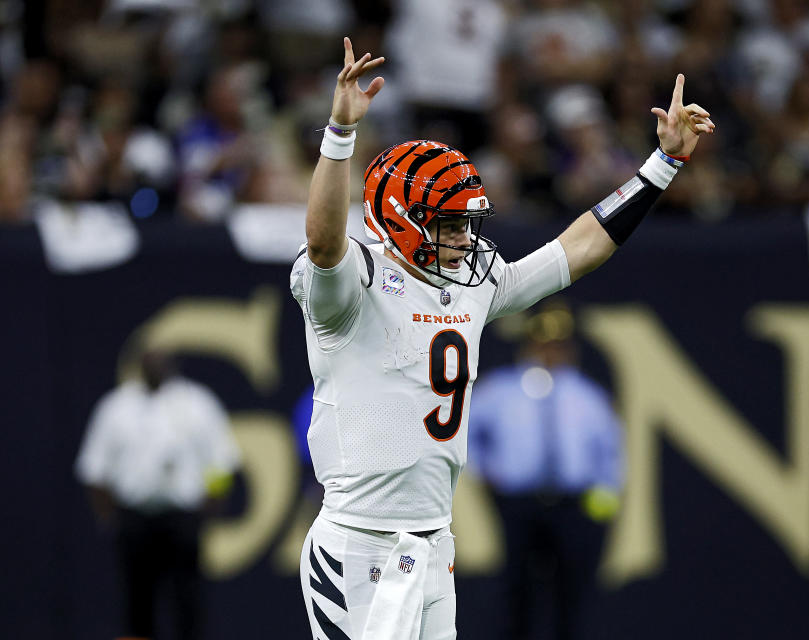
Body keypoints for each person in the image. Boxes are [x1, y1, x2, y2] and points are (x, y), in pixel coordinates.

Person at [290, 37, 714, 640]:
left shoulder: (471, 285)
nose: (464, 237)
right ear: (401, 220)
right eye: (448, 222)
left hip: (433, 541)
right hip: (359, 543)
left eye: (467, 221)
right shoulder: (352, 286)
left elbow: (575, 251)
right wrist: (339, 134)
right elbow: (325, 242)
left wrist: (662, 166)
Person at [468, 302, 622, 640]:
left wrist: (605, 497)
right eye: (542, 342)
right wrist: (484, 471)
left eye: (557, 343)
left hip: (574, 504)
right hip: (518, 502)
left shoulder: (587, 395)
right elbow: (464, 431)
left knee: (572, 592)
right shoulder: (501, 389)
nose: (549, 351)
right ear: (528, 344)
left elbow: (609, 452)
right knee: (515, 589)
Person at [75, 350, 241, 640]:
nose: (155, 367)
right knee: (136, 604)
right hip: (134, 518)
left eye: (161, 360)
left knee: (187, 603)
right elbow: (94, 469)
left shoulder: (197, 403)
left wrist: (207, 512)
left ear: (173, 365)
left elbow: (221, 461)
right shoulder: (117, 407)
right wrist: (111, 517)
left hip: (182, 518)